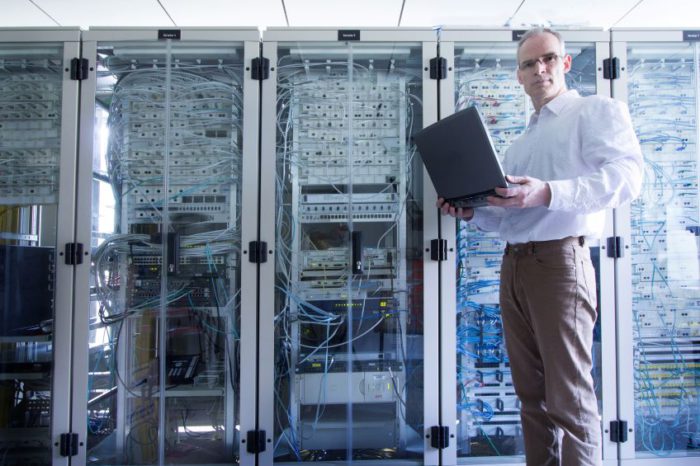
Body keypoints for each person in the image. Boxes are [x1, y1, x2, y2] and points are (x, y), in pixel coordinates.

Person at [438, 28, 643, 466]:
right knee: (530, 398)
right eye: (529, 64)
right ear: (518, 75)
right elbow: (512, 216)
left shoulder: (594, 111)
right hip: (515, 266)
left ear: (565, 63)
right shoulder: (519, 146)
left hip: (560, 264)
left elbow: (628, 178)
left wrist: (548, 192)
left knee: (569, 397)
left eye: (548, 59)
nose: (540, 69)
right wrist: (471, 211)